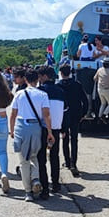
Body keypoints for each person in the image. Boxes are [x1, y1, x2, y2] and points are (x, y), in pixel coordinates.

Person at [9, 69, 55, 202]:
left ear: (26, 80)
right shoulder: (42, 94)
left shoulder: (19, 94)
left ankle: (28, 192)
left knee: (24, 161)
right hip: (36, 127)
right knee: (34, 156)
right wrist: (50, 132)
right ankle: (35, 179)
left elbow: (13, 115)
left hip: (21, 127)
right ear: (37, 80)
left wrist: (12, 131)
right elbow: (46, 115)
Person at [37, 66, 65, 199]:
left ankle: (44, 187)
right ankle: (56, 183)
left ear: (45, 76)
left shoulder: (40, 91)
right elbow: (64, 111)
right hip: (56, 127)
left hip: (43, 128)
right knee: (55, 156)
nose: (39, 79)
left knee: (41, 157)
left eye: (40, 76)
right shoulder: (61, 91)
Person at [57, 64, 88, 176]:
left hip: (63, 116)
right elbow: (85, 100)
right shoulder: (77, 84)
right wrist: (83, 114)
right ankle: (74, 163)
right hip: (76, 115)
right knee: (74, 139)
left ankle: (67, 161)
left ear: (61, 73)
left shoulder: (58, 86)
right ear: (70, 72)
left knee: (64, 139)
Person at [93, 57, 109, 124]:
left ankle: (99, 117)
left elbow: (95, 78)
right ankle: (104, 115)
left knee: (103, 103)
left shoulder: (99, 70)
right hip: (108, 89)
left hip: (100, 89)